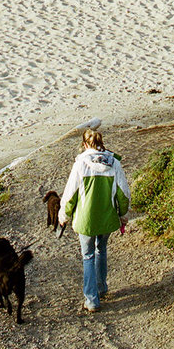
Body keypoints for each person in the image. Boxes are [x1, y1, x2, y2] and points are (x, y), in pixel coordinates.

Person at [58, 127, 130, 312]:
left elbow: (70, 194)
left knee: (87, 256)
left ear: (84, 144)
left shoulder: (80, 164)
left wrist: (63, 216)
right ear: (100, 143)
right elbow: (124, 194)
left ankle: (91, 300)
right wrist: (123, 215)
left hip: (85, 220)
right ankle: (101, 288)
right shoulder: (114, 163)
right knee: (101, 250)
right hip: (107, 218)